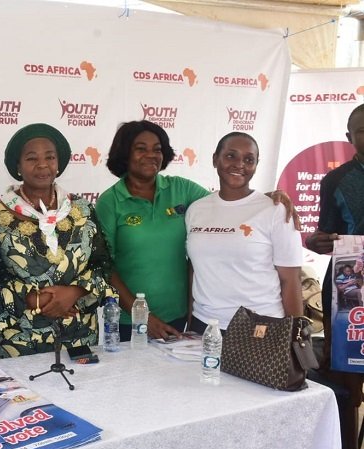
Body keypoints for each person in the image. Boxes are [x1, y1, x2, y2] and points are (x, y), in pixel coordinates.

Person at [96, 120, 296, 341]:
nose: (151, 155)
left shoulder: (182, 190)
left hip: (180, 317)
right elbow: (105, 266)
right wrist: (142, 315)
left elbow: (227, 203)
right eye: (141, 149)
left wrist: (267, 199)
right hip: (130, 320)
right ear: (125, 154)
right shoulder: (110, 201)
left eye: (157, 149)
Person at [0, 123, 118, 359]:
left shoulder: (83, 209)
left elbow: (103, 265)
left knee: (82, 394)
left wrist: (75, 292)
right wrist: (33, 297)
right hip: (17, 337)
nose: (42, 165)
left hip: (78, 333)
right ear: (18, 166)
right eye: (31, 158)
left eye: (50, 157)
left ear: (59, 163)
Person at [185, 132, 302, 333]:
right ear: (215, 159)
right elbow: (194, 270)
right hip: (204, 325)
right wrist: (189, 322)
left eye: (249, 160)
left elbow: (290, 280)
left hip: (259, 326)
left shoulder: (276, 210)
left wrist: (296, 334)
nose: (240, 164)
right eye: (231, 156)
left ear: (256, 165)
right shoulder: (196, 210)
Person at [305, 103, 364, 449]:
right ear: (350, 138)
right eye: (362, 130)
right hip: (350, 288)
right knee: (348, 379)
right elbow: (322, 236)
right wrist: (318, 242)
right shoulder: (335, 181)